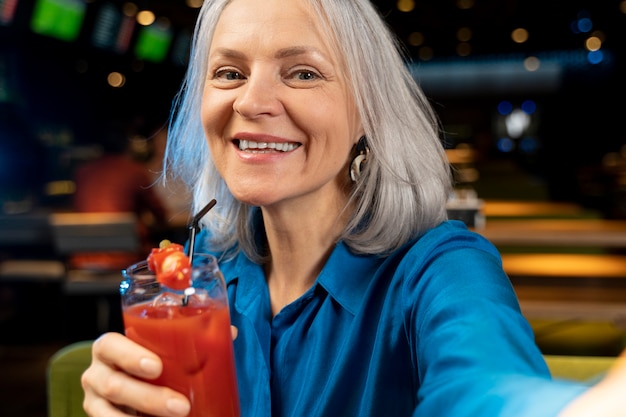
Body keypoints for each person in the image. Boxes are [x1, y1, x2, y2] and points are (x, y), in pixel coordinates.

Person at [80, 0, 626, 416]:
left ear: (367, 112)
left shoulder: (440, 268)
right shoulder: (205, 281)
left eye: (303, 73)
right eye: (229, 73)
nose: (250, 101)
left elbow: (488, 387)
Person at [71, 120, 168, 269]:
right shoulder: (134, 171)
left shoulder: (82, 172)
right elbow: (160, 214)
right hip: (127, 259)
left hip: (83, 259)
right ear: (126, 145)